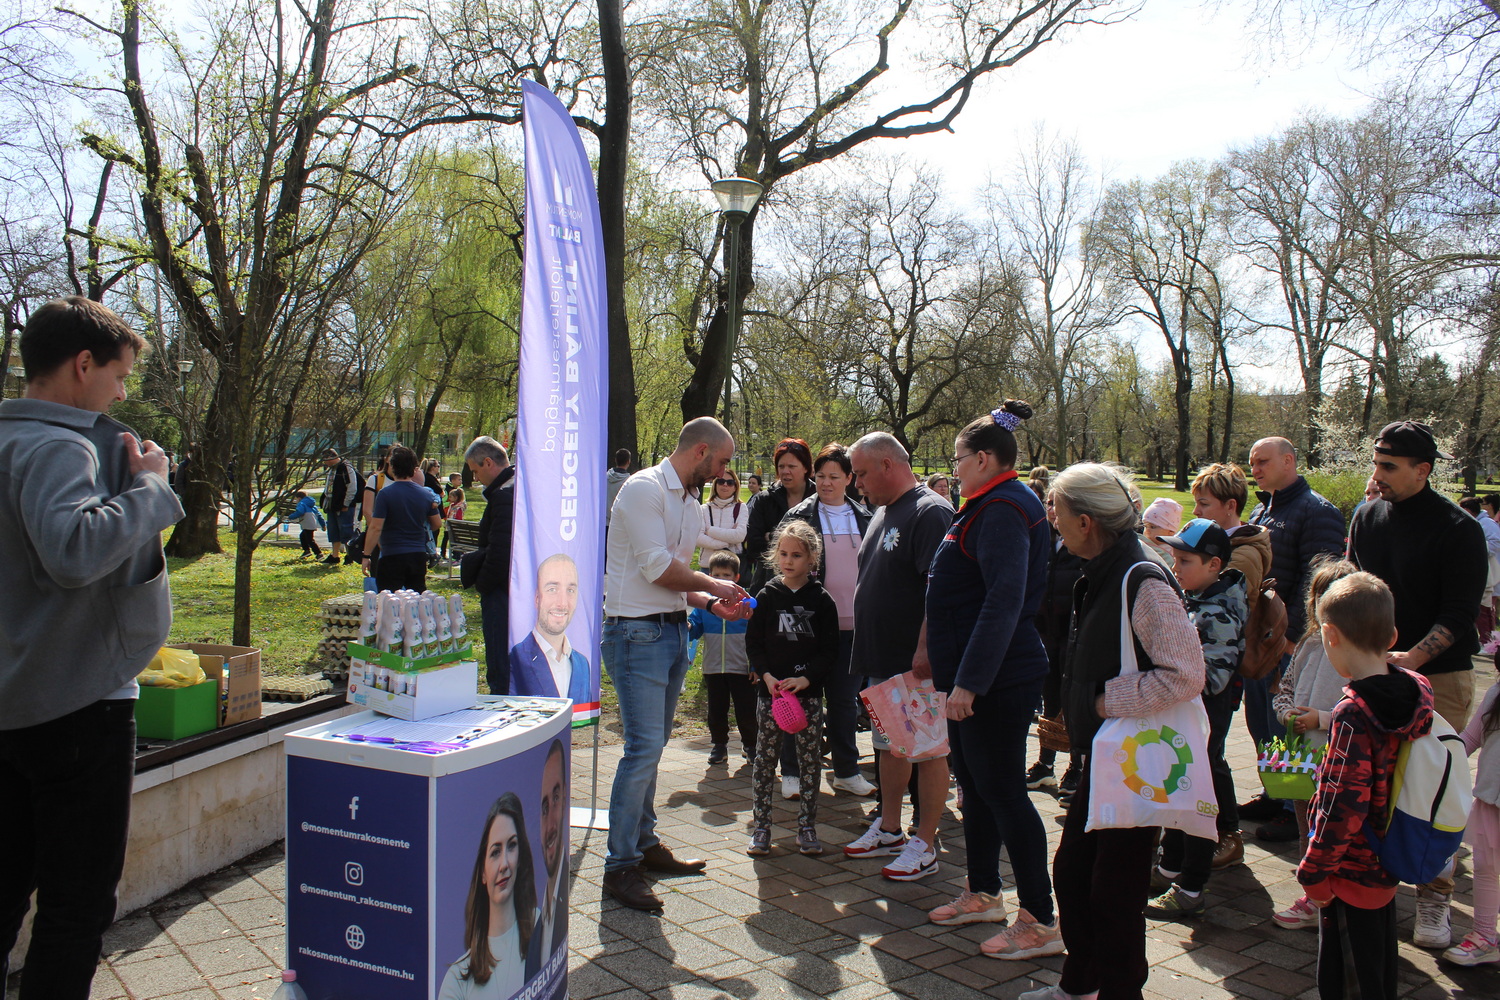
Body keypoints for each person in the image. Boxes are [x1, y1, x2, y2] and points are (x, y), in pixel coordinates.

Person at [0, 296, 184, 1000]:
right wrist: (151, 489)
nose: (122, 392)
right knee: (75, 908)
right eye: (120, 375)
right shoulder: (59, 444)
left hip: (15, 703)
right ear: (83, 365)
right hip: (78, 707)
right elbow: (74, 550)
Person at [1017, 463, 1205, 1000]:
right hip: (1107, 753)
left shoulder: (1140, 578)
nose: (1050, 520)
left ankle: (1119, 991)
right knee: (1075, 876)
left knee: (1111, 893)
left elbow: (1187, 673)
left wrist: (1102, 701)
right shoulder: (1103, 567)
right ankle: (1081, 985)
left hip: (1136, 758)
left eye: (1056, 510)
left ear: (1085, 520)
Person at [922, 401, 1063, 959]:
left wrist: (970, 683)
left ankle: (1041, 919)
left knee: (1003, 791)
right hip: (974, 674)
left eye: (957, 458)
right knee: (976, 787)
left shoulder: (1004, 508)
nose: (953, 467)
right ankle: (983, 890)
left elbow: (1003, 600)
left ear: (984, 459)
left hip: (998, 678)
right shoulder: (986, 503)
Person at [600, 417, 751, 911]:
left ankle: (642, 844)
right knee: (643, 747)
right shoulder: (645, 489)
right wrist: (716, 586)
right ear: (701, 450)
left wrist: (708, 604)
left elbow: (676, 579)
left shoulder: (687, 501)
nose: (725, 471)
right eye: (723, 462)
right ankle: (619, 865)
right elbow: (655, 567)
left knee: (654, 743)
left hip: (670, 628)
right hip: (634, 631)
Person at [1348, 420, 1487, 948]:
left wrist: (1412, 658)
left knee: (1434, 789)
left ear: (1423, 470)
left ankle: (1435, 897)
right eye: (1375, 463)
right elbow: (1357, 587)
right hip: (1373, 673)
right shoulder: (1366, 516)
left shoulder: (1458, 529)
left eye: (1389, 467)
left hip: (1441, 677)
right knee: (1372, 786)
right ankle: (1368, 884)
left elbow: (1459, 613)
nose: (1376, 476)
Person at [1296, 572, 1433, 1000]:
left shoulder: (1354, 714)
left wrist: (1313, 871)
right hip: (1388, 856)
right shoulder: (1416, 690)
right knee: (1376, 972)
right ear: (1392, 634)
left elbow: (1342, 805)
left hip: (1347, 870)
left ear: (1329, 635)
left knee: (1345, 981)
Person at [841, 433, 954, 882]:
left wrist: (926, 647)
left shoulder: (930, 512)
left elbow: (940, 588)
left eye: (863, 473)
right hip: (882, 657)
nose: (857, 483)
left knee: (926, 750)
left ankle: (924, 841)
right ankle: (889, 827)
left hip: (913, 661)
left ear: (889, 464)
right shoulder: (884, 511)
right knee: (890, 745)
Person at [1241, 436, 1345, 840]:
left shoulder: (1317, 511)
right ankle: (1274, 792)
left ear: (1289, 460)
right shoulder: (1263, 507)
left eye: (1263, 461)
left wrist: (1294, 641)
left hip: (1288, 643)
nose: (1256, 468)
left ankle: (1292, 806)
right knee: (1260, 722)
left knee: (1287, 723)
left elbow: (1317, 581)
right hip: (1259, 638)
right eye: (1252, 462)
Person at [1146, 519, 1248, 919]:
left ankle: (1191, 887)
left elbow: (1215, 678)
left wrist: (1167, 669)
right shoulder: (1196, 597)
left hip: (1204, 718)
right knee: (1178, 790)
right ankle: (1170, 867)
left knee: (1197, 803)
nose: (1176, 568)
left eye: (1185, 560)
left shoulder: (1219, 611)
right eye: (1174, 558)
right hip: (1186, 717)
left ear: (1213, 564)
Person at [779, 442, 876, 798]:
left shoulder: (867, 516)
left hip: (853, 628)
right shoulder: (799, 516)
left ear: (850, 478)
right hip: (808, 627)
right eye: (820, 476)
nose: (826, 483)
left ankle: (846, 771)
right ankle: (792, 772)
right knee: (801, 700)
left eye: (834, 476)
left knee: (844, 703)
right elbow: (780, 570)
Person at [1187, 461, 1273, 865]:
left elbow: (1220, 608)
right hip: (1214, 663)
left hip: (1223, 669)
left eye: (1204, 504)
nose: (1196, 512)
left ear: (1230, 505)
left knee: (1212, 751)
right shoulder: (1226, 545)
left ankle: (1227, 834)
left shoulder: (1241, 555)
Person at [1271, 558, 1362, 931]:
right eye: (1320, 596)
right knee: (1304, 821)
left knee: (1333, 827)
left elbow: (1360, 704)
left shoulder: (1358, 649)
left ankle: (1338, 892)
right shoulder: (1309, 642)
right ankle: (1313, 895)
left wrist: (1322, 719)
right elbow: (1285, 687)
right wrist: (1286, 714)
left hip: (1339, 757)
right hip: (1302, 753)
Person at [745, 520, 839, 857]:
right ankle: (762, 828)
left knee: (809, 761)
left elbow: (830, 651)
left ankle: (807, 827)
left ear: (812, 558)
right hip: (770, 696)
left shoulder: (822, 601)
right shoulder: (767, 595)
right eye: (783, 553)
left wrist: (807, 679)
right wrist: (766, 676)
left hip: (808, 698)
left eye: (796, 555)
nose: (788, 561)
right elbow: (754, 643)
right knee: (765, 762)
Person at [439, 793, 538, 1000]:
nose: (504, 864)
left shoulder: (542, 927)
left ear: (520, 857)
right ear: (483, 872)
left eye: (511, 846)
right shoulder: (457, 979)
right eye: (495, 852)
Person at [1026, 486, 1087, 804]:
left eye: (1057, 505)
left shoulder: (1081, 544)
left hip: (1073, 636)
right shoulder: (1043, 540)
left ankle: (1076, 767)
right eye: (1048, 504)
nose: (1051, 510)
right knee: (1049, 703)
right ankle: (1045, 762)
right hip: (1045, 634)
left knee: (1073, 706)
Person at [1447, 677, 1500, 966]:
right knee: (1485, 869)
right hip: (1492, 800)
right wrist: (1440, 761)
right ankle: (1484, 936)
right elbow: (1471, 738)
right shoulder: (1497, 692)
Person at [689, 551, 755, 767]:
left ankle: (750, 745)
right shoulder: (705, 606)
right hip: (713, 667)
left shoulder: (747, 604)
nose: (721, 579)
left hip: (742, 668)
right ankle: (719, 745)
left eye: (726, 575)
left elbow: (757, 637)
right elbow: (694, 629)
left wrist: (755, 665)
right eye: (716, 575)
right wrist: (686, 624)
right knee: (716, 710)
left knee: (746, 710)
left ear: (736, 577)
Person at [463, 436, 516, 695]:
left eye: (475, 471)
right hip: (511, 586)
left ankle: (502, 702)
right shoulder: (512, 487)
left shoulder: (504, 494)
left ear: (487, 462)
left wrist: (483, 583)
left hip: (502, 590)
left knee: (500, 656)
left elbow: (501, 552)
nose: (475, 478)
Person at [509, 554, 593, 704]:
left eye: (570, 590)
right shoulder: (517, 657)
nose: (562, 603)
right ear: (536, 598)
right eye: (552, 589)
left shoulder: (582, 663)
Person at [361, 444, 442, 592]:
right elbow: (436, 524)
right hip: (417, 555)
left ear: (392, 466)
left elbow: (376, 527)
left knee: (389, 601)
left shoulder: (385, 494)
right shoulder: (426, 495)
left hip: (391, 554)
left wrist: (366, 555)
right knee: (416, 599)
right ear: (413, 468)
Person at [743, 438, 815, 594]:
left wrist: (772, 536)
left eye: (791, 466)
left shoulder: (819, 498)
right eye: (781, 466)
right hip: (768, 586)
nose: (785, 471)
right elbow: (754, 545)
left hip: (810, 587)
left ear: (805, 468)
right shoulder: (764, 499)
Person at [527, 741, 569, 975]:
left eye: (556, 798)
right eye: (544, 808)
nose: (551, 823)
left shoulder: (558, 903)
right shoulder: (536, 932)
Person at [1459, 496, 1500, 639]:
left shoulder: (1486, 523)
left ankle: (1489, 641)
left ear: (1468, 510)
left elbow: (1495, 543)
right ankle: (1486, 640)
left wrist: (1476, 548)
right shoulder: (1475, 523)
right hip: (1478, 569)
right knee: (1480, 608)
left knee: (1486, 608)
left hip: (1490, 571)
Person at [320, 447, 360, 564]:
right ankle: (335, 556)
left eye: (325, 459)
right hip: (332, 505)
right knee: (333, 531)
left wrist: (346, 503)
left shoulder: (345, 467)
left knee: (346, 530)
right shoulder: (331, 469)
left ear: (330, 457)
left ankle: (350, 556)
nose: (324, 462)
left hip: (344, 506)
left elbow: (352, 486)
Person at [698, 468, 747, 557]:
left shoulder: (741, 508)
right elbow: (698, 538)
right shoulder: (703, 509)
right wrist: (726, 543)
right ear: (715, 485)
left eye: (730, 483)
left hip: (731, 563)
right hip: (707, 564)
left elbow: (740, 536)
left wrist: (710, 531)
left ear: (735, 487)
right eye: (721, 481)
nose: (725, 485)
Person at [288, 490, 325, 559]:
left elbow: (300, 512)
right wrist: (323, 524)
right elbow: (319, 515)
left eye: (296, 499)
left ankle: (318, 553)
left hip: (307, 523)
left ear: (299, 498)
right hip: (312, 523)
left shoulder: (301, 503)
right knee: (302, 536)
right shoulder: (312, 505)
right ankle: (307, 551)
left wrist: (291, 516)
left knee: (310, 539)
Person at [606, 448, 631, 531]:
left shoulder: (604, 478)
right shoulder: (629, 482)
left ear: (615, 460)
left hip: (604, 522)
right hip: (619, 525)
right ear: (628, 462)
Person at [441, 486, 467, 560]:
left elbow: (459, 518)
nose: (449, 498)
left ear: (456, 497)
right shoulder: (452, 505)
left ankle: (456, 555)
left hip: (454, 526)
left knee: (453, 540)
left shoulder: (458, 507)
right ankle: (443, 552)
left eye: (450, 497)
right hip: (449, 525)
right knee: (446, 538)